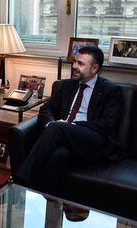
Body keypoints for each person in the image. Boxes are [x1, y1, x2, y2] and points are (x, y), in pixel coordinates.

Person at [15, 46, 123, 195]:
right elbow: (47, 109)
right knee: (59, 154)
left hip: (93, 139)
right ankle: (51, 203)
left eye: (81, 63)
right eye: (74, 62)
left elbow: (107, 124)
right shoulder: (67, 85)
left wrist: (70, 125)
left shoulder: (111, 90)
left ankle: (17, 183)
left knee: (57, 128)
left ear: (95, 68)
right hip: (64, 136)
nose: (74, 66)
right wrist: (50, 124)